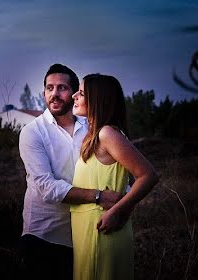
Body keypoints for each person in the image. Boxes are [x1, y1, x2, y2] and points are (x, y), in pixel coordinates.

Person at [19, 64, 124, 280]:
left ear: (76, 93)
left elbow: (114, 171)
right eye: (49, 88)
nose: (54, 94)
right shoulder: (32, 132)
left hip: (86, 233)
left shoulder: (92, 128)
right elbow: (47, 188)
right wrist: (99, 196)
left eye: (62, 88)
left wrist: (122, 205)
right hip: (44, 236)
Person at [70, 74, 159, 280]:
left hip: (102, 230)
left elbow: (148, 175)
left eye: (81, 93)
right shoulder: (94, 135)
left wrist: (118, 211)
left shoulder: (107, 134)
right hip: (86, 231)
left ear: (97, 101)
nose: (74, 95)